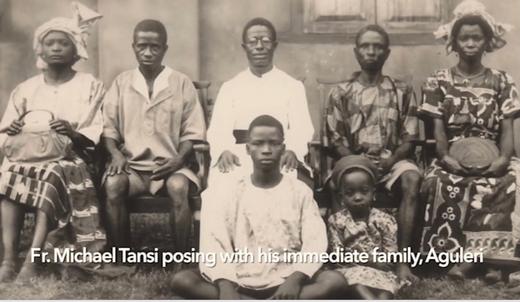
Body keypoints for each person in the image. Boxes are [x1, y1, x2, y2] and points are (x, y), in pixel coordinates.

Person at [172, 115, 346, 299]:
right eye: (258, 143)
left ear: (283, 148)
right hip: (239, 277)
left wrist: (296, 278)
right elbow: (216, 241)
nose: (266, 150)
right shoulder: (232, 191)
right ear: (247, 149)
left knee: (335, 281)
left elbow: (315, 240)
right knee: (182, 280)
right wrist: (225, 285)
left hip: (285, 278)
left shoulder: (299, 191)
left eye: (274, 143)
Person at [0, 4, 105, 282]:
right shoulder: (26, 88)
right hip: (26, 157)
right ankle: (9, 258)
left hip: (70, 161)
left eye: (64, 43)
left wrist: (71, 132)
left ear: (76, 50)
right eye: (50, 43)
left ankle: (32, 262)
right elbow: (5, 133)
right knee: (7, 176)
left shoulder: (89, 85)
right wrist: (11, 128)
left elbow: (96, 129)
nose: (56, 48)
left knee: (51, 175)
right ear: (41, 49)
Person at [419, 0, 520, 282]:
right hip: (452, 156)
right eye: (464, 38)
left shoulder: (502, 80)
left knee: (512, 182)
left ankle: (493, 261)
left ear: (487, 41)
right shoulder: (438, 81)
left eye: (477, 37)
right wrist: (447, 158)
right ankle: (456, 260)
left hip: (495, 155)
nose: (471, 43)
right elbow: (437, 130)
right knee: (440, 182)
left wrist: (502, 160)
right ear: (454, 42)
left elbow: (508, 127)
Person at [325, 24, 421, 283]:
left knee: (412, 179)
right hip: (352, 162)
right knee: (338, 181)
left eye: (377, 46)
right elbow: (335, 140)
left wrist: (390, 160)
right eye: (365, 46)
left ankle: (402, 262)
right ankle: (343, 259)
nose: (371, 51)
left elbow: (409, 138)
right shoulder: (340, 92)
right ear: (356, 52)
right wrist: (360, 163)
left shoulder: (402, 90)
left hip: (392, 161)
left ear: (386, 53)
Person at [102, 20, 206, 252]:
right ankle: (122, 254)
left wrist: (178, 160)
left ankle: (179, 257)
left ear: (164, 49)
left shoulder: (180, 83)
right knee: (112, 184)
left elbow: (193, 131)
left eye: (155, 47)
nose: (148, 52)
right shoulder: (122, 83)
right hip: (133, 168)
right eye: (142, 46)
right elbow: (108, 128)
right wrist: (116, 154)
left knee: (179, 187)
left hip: (171, 166)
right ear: (134, 47)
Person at [203, 17, 314, 190]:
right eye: (253, 42)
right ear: (244, 47)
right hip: (239, 154)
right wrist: (223, 150)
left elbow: (302, 129)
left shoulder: (292, 86)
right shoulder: (231, 87)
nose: (260, 46)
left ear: (275, 46)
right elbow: (218, 129)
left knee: (288, 184)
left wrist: (293, 150)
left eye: (266, 41)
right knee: (225, 184)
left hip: (278, 154)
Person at [328, 155, 401, 299]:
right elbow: (337, 255)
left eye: (364, 191)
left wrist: (381, 263)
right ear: (341, 197)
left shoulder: (385, 220)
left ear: (373, 193)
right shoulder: (336, 221)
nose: (357, 197)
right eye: (350, 193)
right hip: (351, 269)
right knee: (356, 283)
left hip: (380, 270)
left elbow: (391, 253)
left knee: (386, 289)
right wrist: (367, 260)